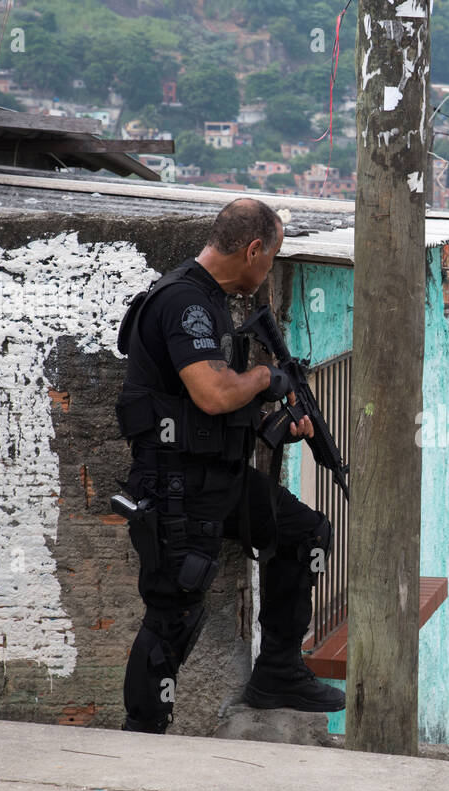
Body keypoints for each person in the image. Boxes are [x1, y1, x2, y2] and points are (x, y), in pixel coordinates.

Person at [114, 197, 345, 733]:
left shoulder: (212, 302)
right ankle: (143, 733)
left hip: (220, 479)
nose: (266, 274)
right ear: (254, 248)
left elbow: (217, 411)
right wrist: (266, 379)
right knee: (175, 610)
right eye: (271, 259)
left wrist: (273, 422)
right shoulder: (186, 302)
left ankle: (278, 673)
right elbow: (215, 394)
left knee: (304, 533)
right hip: (176, 488)